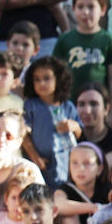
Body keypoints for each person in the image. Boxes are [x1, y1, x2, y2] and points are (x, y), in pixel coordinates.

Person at [52, 0, 112, 111]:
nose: (85, 12)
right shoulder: (65, 40)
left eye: (91, 7)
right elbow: (56, 76)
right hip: (70, 107)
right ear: (73, 8)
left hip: (99, 109)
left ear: (103, 10)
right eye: (80, 6)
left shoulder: (108, 40)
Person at [20, 55, 79, 187]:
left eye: (47, 78)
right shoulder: (31, 106)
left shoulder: (67, 106)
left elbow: (79, 132)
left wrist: (73, 126)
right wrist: (35, 157)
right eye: (37, 79)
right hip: (42, 163)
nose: (42, 83)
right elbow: (23, 134)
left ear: (58, 79)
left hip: (66, 163)